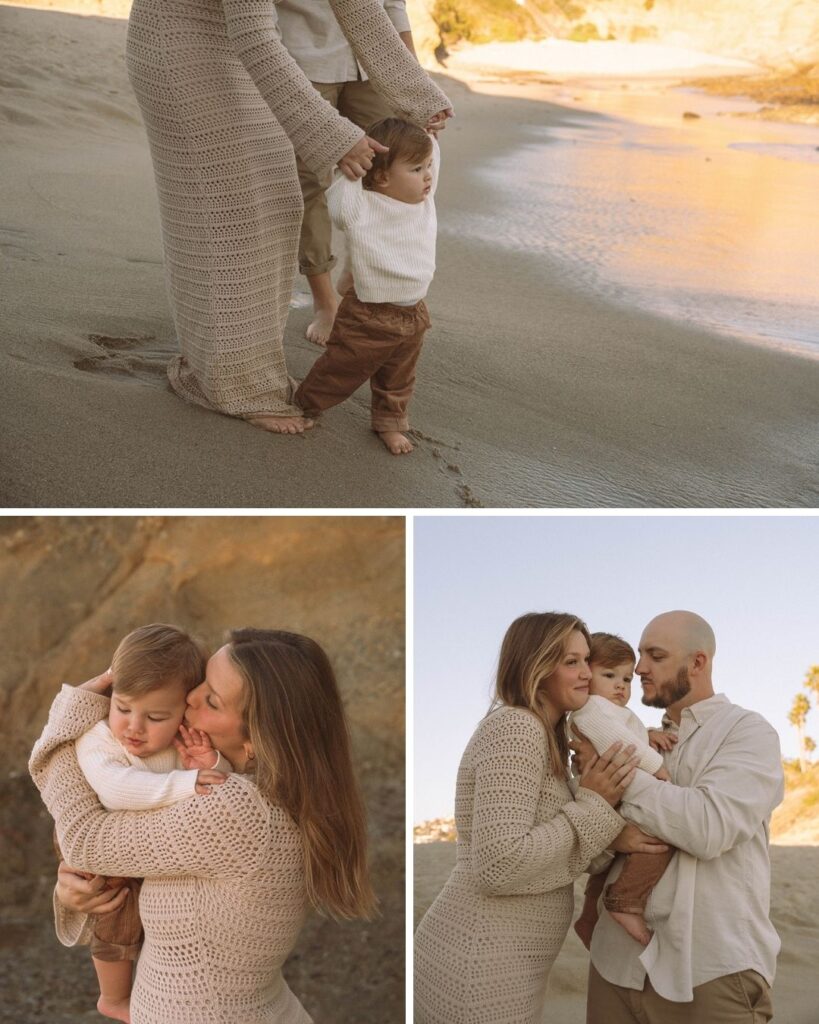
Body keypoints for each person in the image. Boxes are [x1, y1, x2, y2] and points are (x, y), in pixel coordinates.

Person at [125, 0, 452, 434]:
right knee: (230, 210)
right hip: (180, 46)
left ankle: (232, 364)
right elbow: (254, 35)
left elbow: (359, 6)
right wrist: (336, 135)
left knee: (276, 199)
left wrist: (418, 94)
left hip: (236, 45)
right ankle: (234, 383)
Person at [30, 628, 376, 1024]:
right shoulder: (265, 796)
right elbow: (161, 875)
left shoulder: (237, 812)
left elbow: (86, 839)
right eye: (200, 683)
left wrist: (65, 721)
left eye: (210, 698)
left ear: (257, 741)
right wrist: (78, 888)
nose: (189, 698)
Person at [414, 611, 655, 1024]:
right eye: (571, 662)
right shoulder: (516, 728)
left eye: (587, 661)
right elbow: (498, 864)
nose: (586, 674)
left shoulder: (552, 740)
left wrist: (611, 833)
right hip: (479, 960)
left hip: (509, 962)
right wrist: (596, 806)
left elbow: (559, 856)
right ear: (537, 667)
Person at [578, 611, 784, 1024]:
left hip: (710, 973)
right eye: (639, 656)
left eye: (655, 655)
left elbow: (707, 828)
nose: (638, 669)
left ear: (698, 663)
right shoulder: (636, 738)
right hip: (614, 967)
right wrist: (612, 834)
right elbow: (591, 859)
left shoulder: (746, 732)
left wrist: (623, 776)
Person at [64, 624, 226, 1023]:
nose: (134, 727)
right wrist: (186, 782)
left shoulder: (182, 740)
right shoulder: (99, 738)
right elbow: (117, 790)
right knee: (114, 909)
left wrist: (211, 764)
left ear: (184, 711)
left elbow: (226, 782)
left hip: (157, 849)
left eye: (155, 716)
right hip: (106, 840)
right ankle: (114, 997)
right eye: (122, 708)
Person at [273, 1, 421, 347]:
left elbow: (392, 4)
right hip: (302, 60)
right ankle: (325, 303)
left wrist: (413, 78)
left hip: (373, 63)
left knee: (389, 169)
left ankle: (358, 272)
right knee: (308, 183)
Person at [295, 118, 437, 455]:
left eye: (428, 166)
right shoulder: (362, 209)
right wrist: (351, 167)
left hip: (414, 312)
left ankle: (389, 423)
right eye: (417, 169)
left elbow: (431, 152)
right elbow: (340, 200)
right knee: (342, 367)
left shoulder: (424, 201)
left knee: (399, 378)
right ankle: (304, 404)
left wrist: (429, 126)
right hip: (370, 315)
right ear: (384, 177)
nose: (428, 175)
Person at [568, 632, 676, 949]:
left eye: (627, 679)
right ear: (587, 675)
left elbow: (628, 734)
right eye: (610, 675)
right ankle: (626, 900)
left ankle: (589, 914)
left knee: (614, 858)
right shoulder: (591, 708)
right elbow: (621, 745)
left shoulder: (608, 711)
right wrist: (659, 769)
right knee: (658, 840)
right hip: (607, 793)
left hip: (611, 791)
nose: (620, 685)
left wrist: (650, 734)